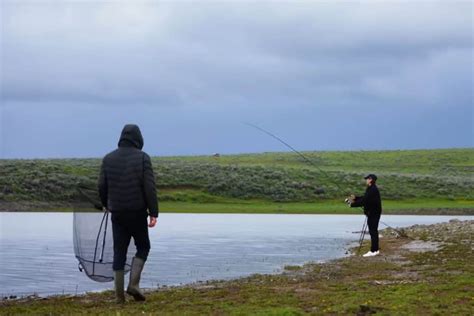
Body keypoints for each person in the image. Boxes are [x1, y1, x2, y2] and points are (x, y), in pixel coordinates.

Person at [98, 124, 158, 303]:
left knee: (119, 251)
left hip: (117, 212)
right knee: (143, 246)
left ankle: (118, 297)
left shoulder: (108, 159)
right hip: (138, 212)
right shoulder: (143, 158)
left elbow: (101, 185)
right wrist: (153, 212)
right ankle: (133, 285)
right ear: (138, 139)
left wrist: (105, 204)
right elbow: (149, 188)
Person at [347, 174, 382, 257]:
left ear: (371, 180)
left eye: (367, 179)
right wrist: (355, 198)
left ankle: (373, 251)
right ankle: (376, 250)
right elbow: (364, 198)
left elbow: (364, 201)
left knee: (373, 232)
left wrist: (352, 204)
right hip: (373, 213)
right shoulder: (370, 189)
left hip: (373, 213)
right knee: (373, 231)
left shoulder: (373, 189)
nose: (366, 180)